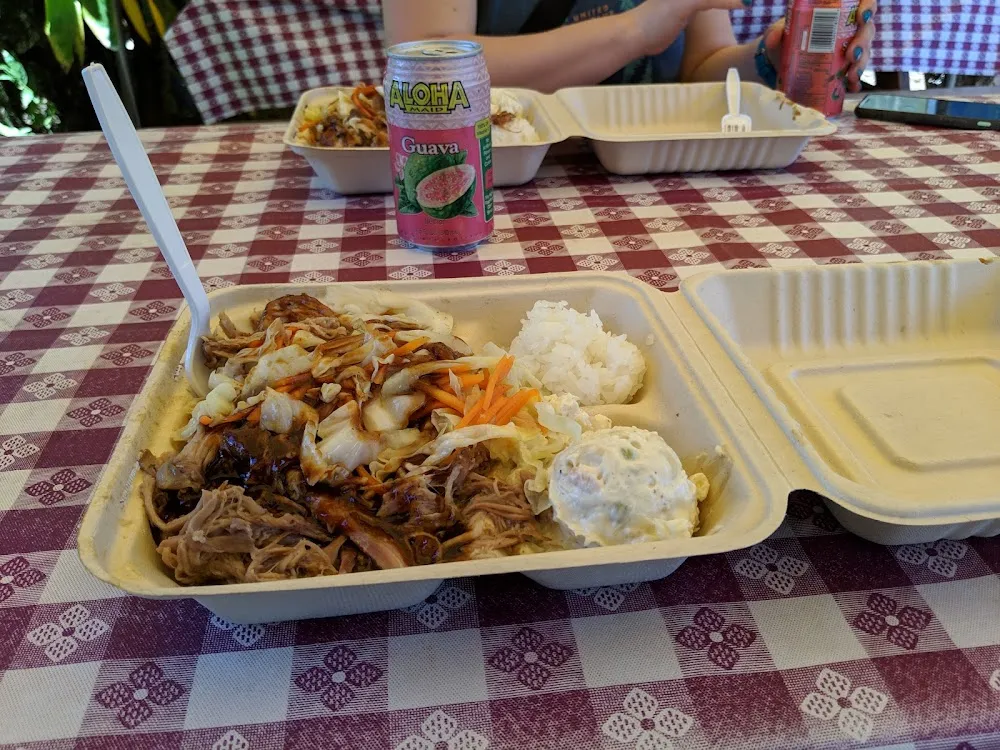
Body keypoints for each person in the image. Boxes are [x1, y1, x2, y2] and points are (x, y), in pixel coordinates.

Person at [382, 0, 877, 93]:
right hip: (499, 174)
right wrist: (637, 30)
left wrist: (775, 58)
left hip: (648, 178)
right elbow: (426, 60)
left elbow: (703, 69)